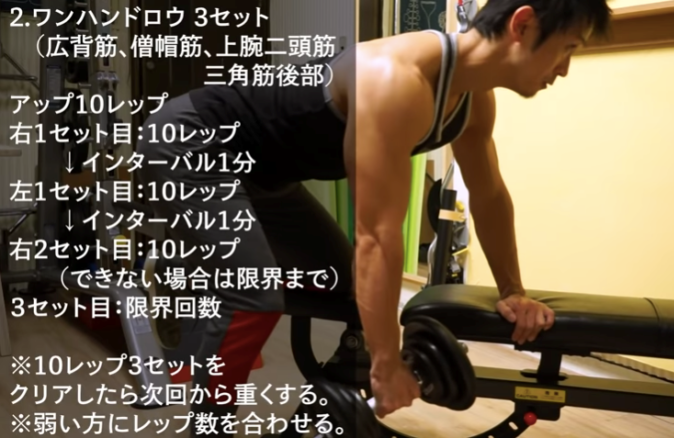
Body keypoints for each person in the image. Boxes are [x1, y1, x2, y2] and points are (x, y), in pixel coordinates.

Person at [135, 0, 611, 435]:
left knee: (346, 286)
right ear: (522, 25)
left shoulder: (472, 100)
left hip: (267, 177)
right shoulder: (394, 78)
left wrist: (513, 290)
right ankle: (209, 423)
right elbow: (377, 238)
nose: (564, 69)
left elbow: (489, 196)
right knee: (253, 292)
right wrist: (386, 362)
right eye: (567, 48)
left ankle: (335, 392)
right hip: (192, 142)